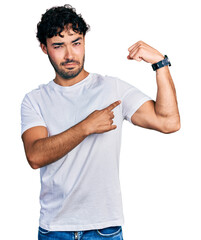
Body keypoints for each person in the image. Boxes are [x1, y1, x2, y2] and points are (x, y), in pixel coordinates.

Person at [21, 4, 180, 240]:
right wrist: (86, 127)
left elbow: (168, 122)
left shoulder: (111, 88)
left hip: (104, 229)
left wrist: (160, 65)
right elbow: (35, 155)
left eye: (76, 43)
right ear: (44, 48)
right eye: (58, 46)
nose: (69, 55)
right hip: (54, 229)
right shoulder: (35, 100)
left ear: (84, 41)